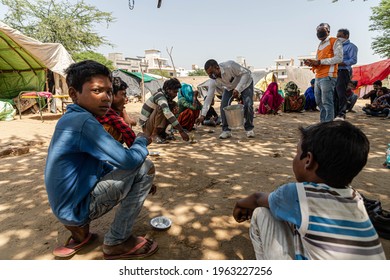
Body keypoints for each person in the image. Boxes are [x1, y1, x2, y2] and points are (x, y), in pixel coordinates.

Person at [44, 60, 158, 260]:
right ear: (73, 93)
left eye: (109, 91)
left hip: (65, 208)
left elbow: (103, 163)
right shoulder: (84, 122)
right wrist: (140, 142)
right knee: (144, 166)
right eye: (97, 91)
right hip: (75, 209)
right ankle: (118, 241)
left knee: (118, 166)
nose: (107, 98)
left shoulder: (70, 118)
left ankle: (80, 233)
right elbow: (129, 161)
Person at [233, 121, 385, 260]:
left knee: (263, 213)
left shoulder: (296, 194)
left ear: (308, 161)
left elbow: (257, 198)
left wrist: (240, 205)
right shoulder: (356, 198)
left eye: (297, 152)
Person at [196, 59, 255, 139]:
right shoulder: (213, 80)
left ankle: (249, 128)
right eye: (209, 74)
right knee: (223, 106)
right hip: (229, 88)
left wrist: (238, 89)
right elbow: (209, 97)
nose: (211, 76)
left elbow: (247, 73)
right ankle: (226, 130)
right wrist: (202, 115)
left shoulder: (230, 66)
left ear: (217, 67)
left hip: (245, 83)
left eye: (212, 73)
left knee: (248, 104)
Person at [304, 23, 343, 122]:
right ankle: (323, 124)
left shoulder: (335, 41)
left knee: (327, 102)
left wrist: (319, 62)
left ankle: (329, 126)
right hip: (318, 76)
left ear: (328, 31)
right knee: (319, 102)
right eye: (318, 30)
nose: (319, 31)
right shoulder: (320, 45)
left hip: (328, 76)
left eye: (322, 29)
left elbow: (339, 58)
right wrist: (312, 63)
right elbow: (319, 61)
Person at [139, 78, 189, 144]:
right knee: (163, 108)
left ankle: (162, 133)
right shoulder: (160, 96)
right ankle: (154, 135)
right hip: (146, 127)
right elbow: (167, 113)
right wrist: (181, 131)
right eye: (174, 92)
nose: (176, 95)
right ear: (168, 90)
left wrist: (174, 106)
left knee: (172, 105)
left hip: (151, 124)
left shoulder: (167, 98)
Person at [96, 77, 137, 147]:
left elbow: (131, 122)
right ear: (112, 95)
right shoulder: (108, 114)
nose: (126, 99)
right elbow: (130, 137)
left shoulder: (115, 111)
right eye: (123, 95)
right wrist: (141, 142)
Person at [334, 28, 358, 120]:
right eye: (337, 36)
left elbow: (353, 60)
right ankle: (335, 114)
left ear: (346, 36)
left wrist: (341, 63)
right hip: (334, 72)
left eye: (340, 36)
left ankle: (341, 114)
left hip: (343, 71)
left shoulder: (351, 47)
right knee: (334, 94)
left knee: (341, 93)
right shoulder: (336, 47)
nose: (338, 38)